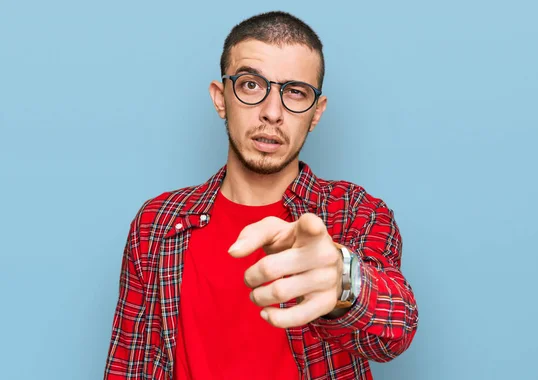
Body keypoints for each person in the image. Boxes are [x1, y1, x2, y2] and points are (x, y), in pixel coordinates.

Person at [104, 10, 418, 380]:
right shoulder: (157, 224)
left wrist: (343, 282)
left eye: (295, 92)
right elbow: (131, 366)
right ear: (221, 98)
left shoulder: (353, 212)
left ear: (316, 113)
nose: (272, 113)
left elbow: (394, 332)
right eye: (252, 85)